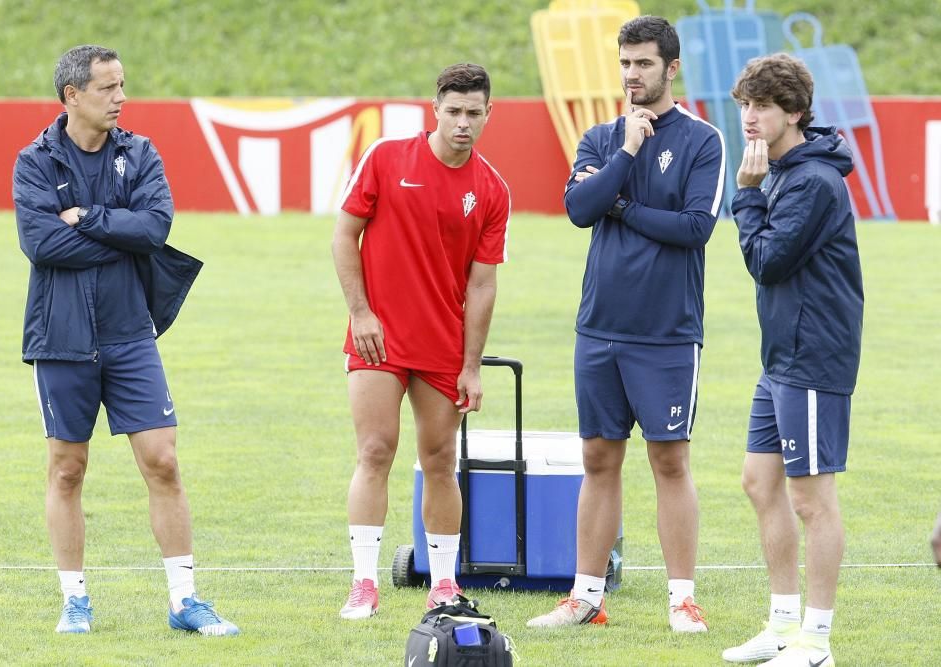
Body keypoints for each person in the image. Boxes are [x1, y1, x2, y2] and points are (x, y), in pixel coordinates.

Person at [13, 45, 238, 636]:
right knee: (67, 469)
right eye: (108, 87)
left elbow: (156, 227)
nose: (120, 97)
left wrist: (84, 217)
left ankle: (185, 600)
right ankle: (75, 602)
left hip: (130, 336)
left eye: (122, 85)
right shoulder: (34, 161)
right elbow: (41, 245)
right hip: (60, 339)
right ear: (72, 96)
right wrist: (120, 233)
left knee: (163, 462)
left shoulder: (139, 152)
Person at [528, 16, 724, 632]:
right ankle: (586, 597)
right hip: (599, 327)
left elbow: (694, 229)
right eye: (625, 63)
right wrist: (627, 154)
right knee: (597, 458)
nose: (632, 74)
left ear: (671, 69)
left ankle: (682, 599)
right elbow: (580, 209)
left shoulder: (703, 141)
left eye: (643, 63)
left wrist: (624, 204)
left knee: (669, 461)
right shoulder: (601, 137)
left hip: (665, 332)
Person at [332, 63, 511, 620]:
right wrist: (360, 313)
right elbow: (344, 235)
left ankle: (443, 585)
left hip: (442, 345)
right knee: (375, 450)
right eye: (453, 111)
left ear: (488, 113)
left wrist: (472, 365)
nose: (462, 123)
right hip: (378, 337)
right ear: (435, 109)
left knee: (439, 460)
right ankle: (364, 582)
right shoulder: (386, 157)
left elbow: (482, 284)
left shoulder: (491, 189)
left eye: (473, 113)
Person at [721, 54, 863, 667]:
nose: (750, 117)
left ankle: (818, 640)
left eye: (764, 107)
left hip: (813, 357)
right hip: (780, 356)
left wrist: (746, 199)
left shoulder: (810, 181)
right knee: (759, 483)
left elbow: (767, 262)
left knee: (812, 500)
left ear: (795, 113)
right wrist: (753, 192)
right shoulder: (780, 167)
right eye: (745, 105)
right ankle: (781, 625)